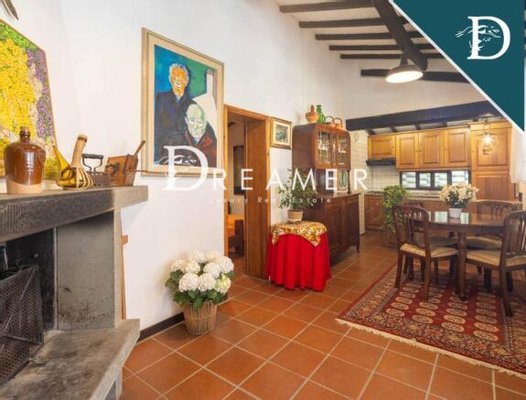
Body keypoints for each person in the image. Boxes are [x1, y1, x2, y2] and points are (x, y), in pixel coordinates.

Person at [154, 64, 194, 163]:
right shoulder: (161, 99)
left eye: (181, 78)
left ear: (186, 81)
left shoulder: (192, 105)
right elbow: (156, 129)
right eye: (174, 78)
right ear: (170, 79)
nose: (177, 82)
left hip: (186, 155)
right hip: (164, 153)